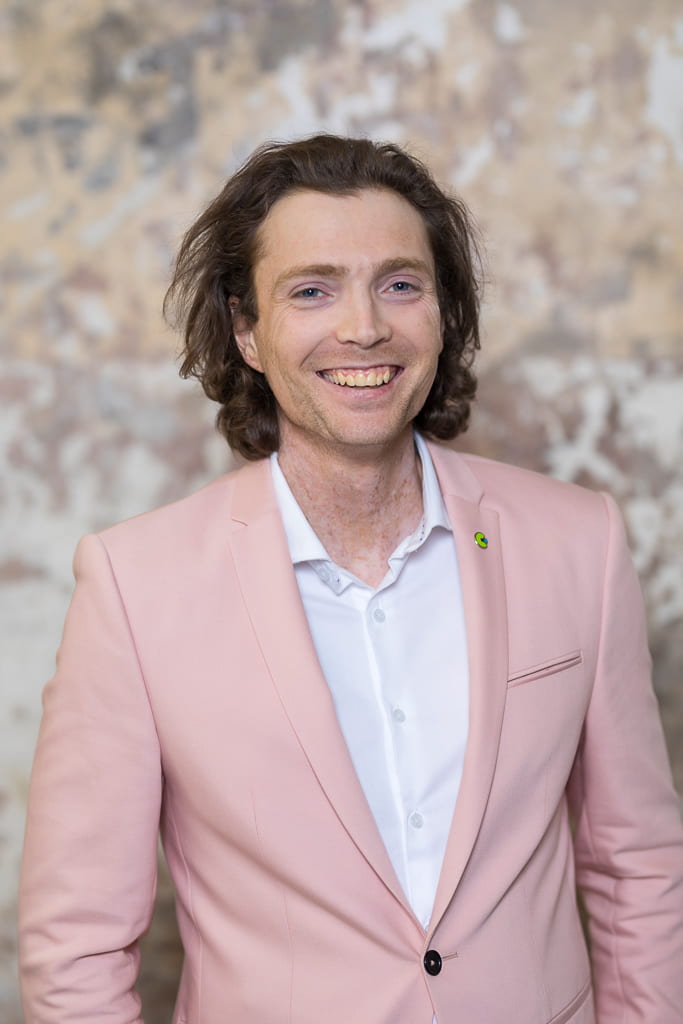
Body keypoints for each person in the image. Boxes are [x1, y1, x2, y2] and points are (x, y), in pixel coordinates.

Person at [19, 135, 683, 1024]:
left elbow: (636, 863)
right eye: (311, 289)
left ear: (442, 313)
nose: (364, 326)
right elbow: (77, 943)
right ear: (246, 330)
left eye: (400, 284)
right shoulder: (134, 586)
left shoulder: (578, 543)